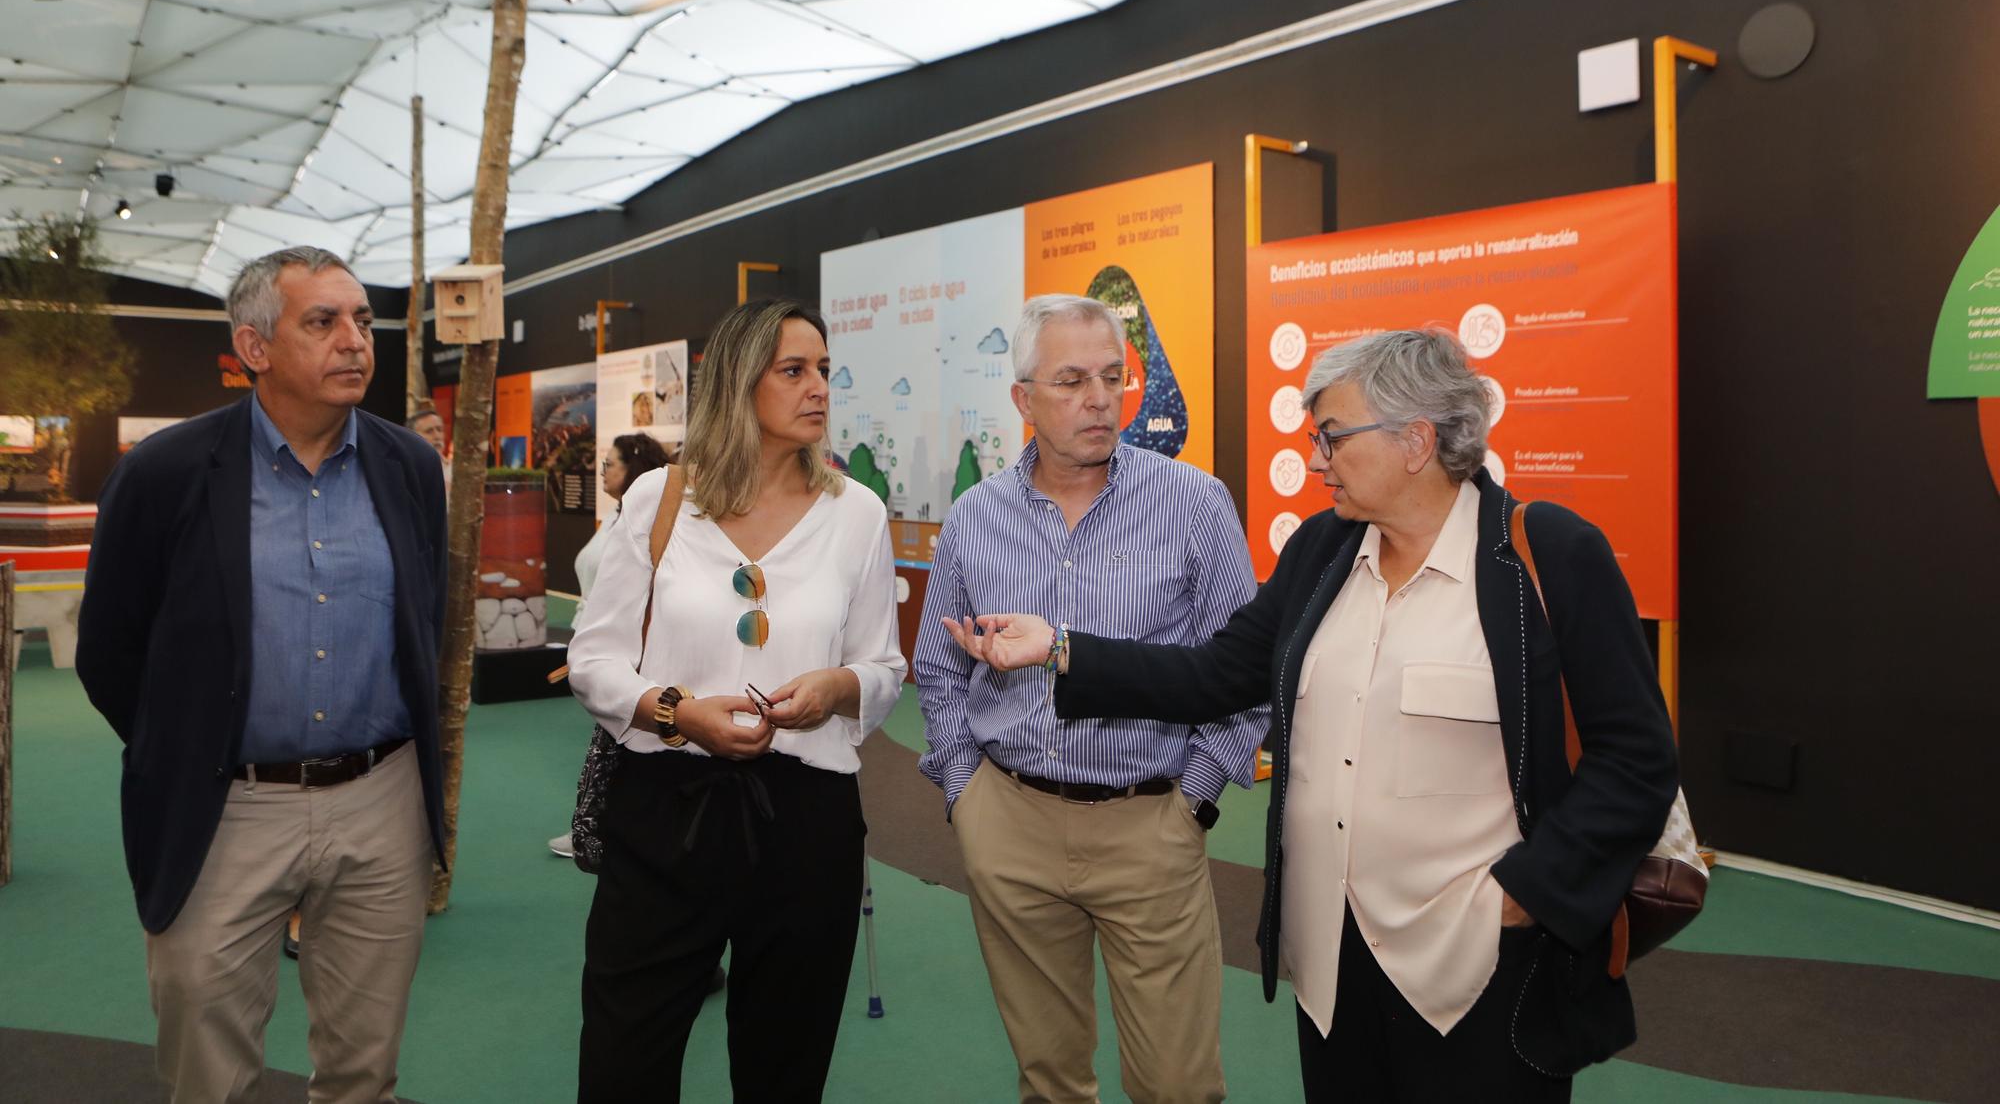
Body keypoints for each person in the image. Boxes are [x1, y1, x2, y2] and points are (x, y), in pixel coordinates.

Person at [945, 328, 1681, 1101]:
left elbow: (1635, 760)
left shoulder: (1548, 554)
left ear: (1416, 440)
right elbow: (1214, 675)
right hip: (1332, 962)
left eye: (1331, 436)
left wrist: (1525, 895)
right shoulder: (1323, 550)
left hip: (1479, 963)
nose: (1318, 459)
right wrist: (1060, 647)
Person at [75, 246, 448, 1103]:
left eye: (362, 319)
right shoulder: (165, 472)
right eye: (322, 322)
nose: (355, 340)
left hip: (379, 797)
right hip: (225, 801)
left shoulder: (409, 467)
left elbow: (425, 618)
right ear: (254, 347)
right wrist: (191, 739)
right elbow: (109, 649)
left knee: (366, 1063)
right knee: (207, 1052)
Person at [913, 293, 1266, 1104]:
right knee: (1050, 1083)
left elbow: (1245, 671)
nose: (1101, 398)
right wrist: (967, 793)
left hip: (1151, 825)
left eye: (1113, 376)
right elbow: (936, 665)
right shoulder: (973, 520)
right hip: (1011, 824)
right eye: (1071, 380)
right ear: (1022, 399)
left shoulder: (1194, 503)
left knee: (1179, 1086)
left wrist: (1197, 799)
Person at [565, 298, 905, 1103]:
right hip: (664, 811)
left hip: (807, 823)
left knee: (784, 1070)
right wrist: (679, 711)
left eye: (823, 368)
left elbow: (883, 664)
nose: (818, 386)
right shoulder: (659, 499)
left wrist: (838, 687)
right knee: (624, 1060)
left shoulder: (856, 513)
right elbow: (594, 659)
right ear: (737, 383)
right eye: (794, 369)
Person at [549, 431, 670, 859]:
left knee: (617, 751)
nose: (603, 471)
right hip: (602, 649)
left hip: (631, 659)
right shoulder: (621, 514)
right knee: (607, 752)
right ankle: (593, 829)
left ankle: (597, 831)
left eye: (610, 463)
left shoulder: (648, 514)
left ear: (631, 467)